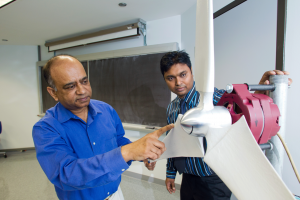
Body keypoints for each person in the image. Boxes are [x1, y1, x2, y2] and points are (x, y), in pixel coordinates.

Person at [146, 50, 292, 200]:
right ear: (164, 79)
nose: (178, 83)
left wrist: (259, 92)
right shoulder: (172, 108)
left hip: (214, 180)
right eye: (170, 78)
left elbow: (241, 110)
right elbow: (174, 142)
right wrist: (170, 174)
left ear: (192, 73)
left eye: (183, 75)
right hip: (188, 178)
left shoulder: (214, 99)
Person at [32, 55, 174, 200]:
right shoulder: (45, 129)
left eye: (84, 81)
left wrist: (141, 150)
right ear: (53, 92)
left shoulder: (106, 110)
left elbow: (118, 140)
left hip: (115, 194)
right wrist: (128, 152)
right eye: (71, 86)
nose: (82, 90)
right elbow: (66, 174)